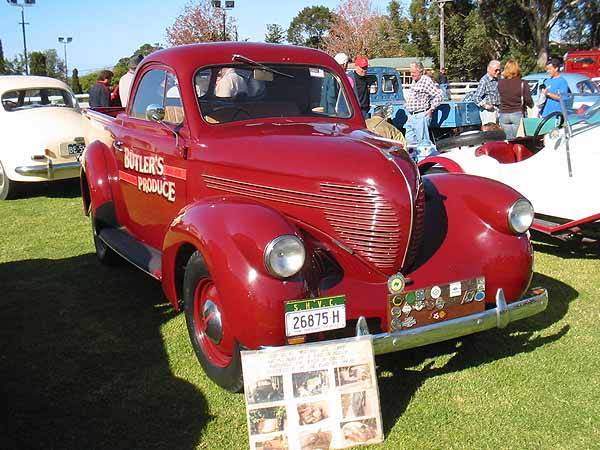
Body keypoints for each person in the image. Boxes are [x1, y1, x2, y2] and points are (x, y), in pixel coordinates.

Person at [404, 62, 442, 148]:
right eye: (411, 72)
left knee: (423, 143)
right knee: (409, 141)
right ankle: (414, 160)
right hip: (411, 116)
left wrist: (431, 109)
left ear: (420, 71)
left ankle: (426, 159)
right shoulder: (415, 81)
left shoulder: (426, 81)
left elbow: (438, 95)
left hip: (420, 115)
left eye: (414, 72)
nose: (411, 75)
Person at [498, 59, 533, 139]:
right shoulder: (522, 83)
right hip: (517, 112)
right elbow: (528, 99)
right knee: (519, 139)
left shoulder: (500, 83)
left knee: (507, 140)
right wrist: (531, 105)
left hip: (503, 113)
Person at [474, 60, 501, 125]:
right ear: (489, 69)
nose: (498, 72)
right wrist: (486, 106)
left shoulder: (498, 80)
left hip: (498, 110)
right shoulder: (484, 81)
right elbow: (476, 97)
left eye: (499, 70)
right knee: (490, 132)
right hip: (489, 113)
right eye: (496, 70)